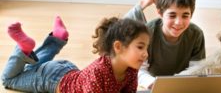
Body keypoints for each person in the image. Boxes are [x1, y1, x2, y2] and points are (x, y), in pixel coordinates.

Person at [1, 16, 150, 93]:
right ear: (118, 47)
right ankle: (23, 48)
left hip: (66, 71)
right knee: (8, 79)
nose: (146, 54)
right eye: (140, 47)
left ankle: (56, 40)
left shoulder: (131, 69)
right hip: (52, 79)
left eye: (146, 48)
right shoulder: (99, 72)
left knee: (31, 68)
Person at [124, 0, 206, 89]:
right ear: (160, 13)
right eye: (172, 15)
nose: (178, 22)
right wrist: (156, 85)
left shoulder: (196, 34)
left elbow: (197, 69)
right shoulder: (147, 33)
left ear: (191, 14)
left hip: (183, 87)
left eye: (185, 15)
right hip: (153, 86)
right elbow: (139, 70)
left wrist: (179, 85)